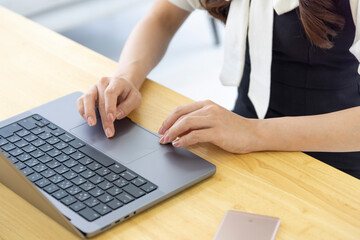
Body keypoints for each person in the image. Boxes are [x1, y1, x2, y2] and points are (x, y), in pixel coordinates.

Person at [77, 0, 360, 179]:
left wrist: (253, 133)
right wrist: (127, 77)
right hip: (244, 142)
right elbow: (162, 16)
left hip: (337, 162)